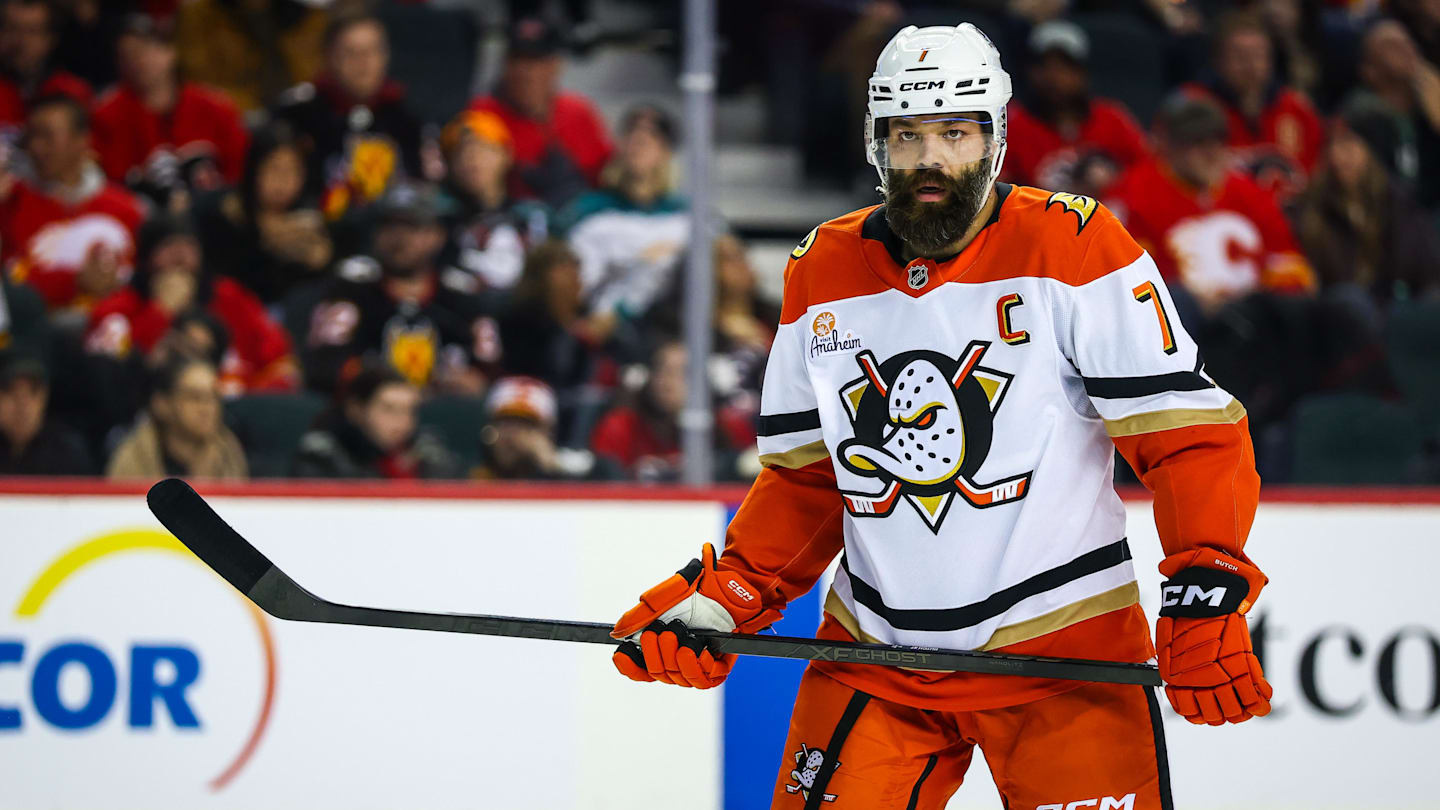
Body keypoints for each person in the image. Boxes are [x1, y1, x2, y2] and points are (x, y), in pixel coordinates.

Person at [609, 24, 1271, 808]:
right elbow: (812, 475)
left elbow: (1188, 436)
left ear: (993, 140)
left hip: (1064, 661)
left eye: (955, 132)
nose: (931, 159)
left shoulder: (1076, 244)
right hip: (876, 659)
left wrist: (1205, 583)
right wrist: (730, 591)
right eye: (908, 134)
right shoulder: (820, 266)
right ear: (876, 142)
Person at [1107, 95, 1314, 325]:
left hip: (1255, 318)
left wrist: (1259, 297)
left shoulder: (1248, 192)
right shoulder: (1135, 194)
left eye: (1217, 142)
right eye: (1198, 143)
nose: (1211, 153)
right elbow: (1130, 277)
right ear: (1171, 146)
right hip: (1181, 324)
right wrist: (1200, 301)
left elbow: (1289, 262)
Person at [288, 184, 502, 396]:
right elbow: (324, 364)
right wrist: (363, 377)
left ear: (437, 236)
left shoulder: (462, 298)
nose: (399, 238)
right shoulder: (351, 291)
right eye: (389, 226)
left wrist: (476, 382)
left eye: (412, 226)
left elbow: (491, 370)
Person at [85, 214, 299, 395]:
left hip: (238, 406)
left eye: (188, 245)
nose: (180, 257)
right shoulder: (119, 309)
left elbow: (279, 361)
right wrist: (159, 313)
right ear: (146, 258)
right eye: (167, 246)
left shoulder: (229, 297)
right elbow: (110, 379)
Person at [0, 94, 144, 317]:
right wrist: (73, 283)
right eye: (32, 137)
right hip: (34, 332)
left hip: (113, 331)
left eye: (47, 137)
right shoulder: (10, 204)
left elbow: (143, 284)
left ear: (82, 140)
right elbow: (8, 284)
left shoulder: (126, 210)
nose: (36, 147)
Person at [272, 11, 422, 223]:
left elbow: (422, 191)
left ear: (386, 55)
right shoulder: (298, 116)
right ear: (330, 57)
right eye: (351, 53)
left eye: (372, 51)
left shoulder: (406, 119)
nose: (364, 63)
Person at [90, 15, 249, 207]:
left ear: (170, 52)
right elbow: (109, 188)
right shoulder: (106, 117)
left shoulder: (215, 107)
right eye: (128, 55)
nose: (139, 61)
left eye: (147, 50)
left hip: (214, 214)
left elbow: (241, 173)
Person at [1294, 99, 1440, 306]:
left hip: (1395, 318)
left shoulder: (1400, 205)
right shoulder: (1314, 207)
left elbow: (1427, 274)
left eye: (1348, 143)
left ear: (1374, 151)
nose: (1336, 155)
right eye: (1331, 144)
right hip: (1337, 319)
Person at [561, 105, 688, 324]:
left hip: (670, 325)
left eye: (652, 135)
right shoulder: (588, 211)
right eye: (632, 133)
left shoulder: (686, 215)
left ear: (666, 151)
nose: (638, 141)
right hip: (601, 323)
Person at [468, 16, 612, 208]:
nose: (526, 72)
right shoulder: (482, 113)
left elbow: (607, 176)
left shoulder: (578, 112)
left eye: (535, 61)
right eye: (517, 60)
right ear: (505, 65)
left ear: (555, 65)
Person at [1004, 20, 1150, 197]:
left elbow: (1148, 170)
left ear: (1083, 73)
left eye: (1066, 67)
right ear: (1030, 72)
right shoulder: (1012, 124)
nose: (1054, 77)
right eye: (1044, 67)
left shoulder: (1111, 117)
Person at [193, 122, 333, 305]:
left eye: (293, 171)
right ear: (254, 169)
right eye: (274, 168)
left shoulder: (308, 224)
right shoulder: (220, 212)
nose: (283, 181)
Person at [1182, 12, 1324, 178]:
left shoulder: (1297, 110)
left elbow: (1316, 179)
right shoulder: (1192, 107)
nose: (1251, 66)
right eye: (1240, 56)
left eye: (1258, 55)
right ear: (1219, 61)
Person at [440, 109, 549, 291]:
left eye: (483, 148)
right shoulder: (442, 220)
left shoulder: (533, 215)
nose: (472, 159)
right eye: (459, 152)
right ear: (449, 165)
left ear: (506, 155)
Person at [292, 362, 459, 479]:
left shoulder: (428, 455)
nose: (403, 421)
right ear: (356, 410)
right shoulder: (322, 455)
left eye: (410, 410)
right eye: (389, 409)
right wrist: (391, 471)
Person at [1348, 18, 1440, 211]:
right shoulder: (1362, 116)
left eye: (1408, 42)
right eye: (1390, 46)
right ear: (1369, 71)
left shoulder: (1427, 109)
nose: (1405, 48)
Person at [106, 355, 248, 481]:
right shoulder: (134, 458)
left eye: (213, 397)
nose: (207, 408)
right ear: (162, 403)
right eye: (194, 397)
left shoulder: (229, 453)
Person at [175, 0, 328, 114]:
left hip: (301, 115)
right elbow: (199, 84)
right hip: (235, 120)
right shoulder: (200, 16)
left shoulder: (310, 16)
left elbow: (320, 77)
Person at [473, 375, 609, 481]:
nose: (512, 435)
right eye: (505, 423)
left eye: (526, 425)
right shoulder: (473, 478)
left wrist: (551, 467)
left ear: (547, 432)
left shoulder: (578, 471)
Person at [0, 350, 91, 475]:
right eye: (11, 392)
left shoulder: (66, 453)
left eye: (32, 392)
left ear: (44, 398)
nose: (22, 404)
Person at [0, 0, 91, 124]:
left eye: (32, 31)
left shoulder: (71, 92)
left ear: (51, 39)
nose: (20, 41)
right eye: (11, 29)